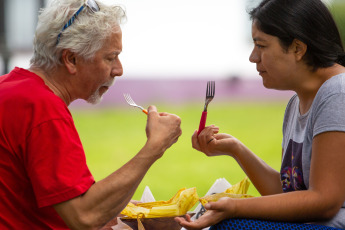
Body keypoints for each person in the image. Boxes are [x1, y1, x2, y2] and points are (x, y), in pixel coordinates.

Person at [0, 0, 182, 229]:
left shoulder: (8, 88)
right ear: (71, 59)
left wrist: (122, 211)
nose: (119, 69)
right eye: (110, 57)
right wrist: (154, 147)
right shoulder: (44, 111)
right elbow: (84, 217)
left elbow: (58, 204)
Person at [176, 0, 345, 229]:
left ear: (298, 48)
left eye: (261, 46)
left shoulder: (338, 94)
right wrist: (237, 150)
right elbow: (288, 195)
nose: (253, 57)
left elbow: (324, 201)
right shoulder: (297, 102)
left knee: (232, 225)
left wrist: (234, 207)